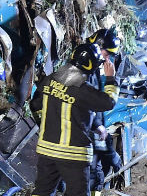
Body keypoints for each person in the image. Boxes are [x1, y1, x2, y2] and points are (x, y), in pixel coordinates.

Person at [30, 43, 119, 196]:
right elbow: (108, 101)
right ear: (90, 66)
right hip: (73, 154)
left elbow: (35, 105)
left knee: (42, 192)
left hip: (47, 150)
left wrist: (46, 127)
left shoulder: (49, 80)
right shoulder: (83, 90)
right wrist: (111, 78)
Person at [87, 28, 123, 195]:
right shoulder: (85, 73)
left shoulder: (89, 69)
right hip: (81, 144)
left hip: (87, 139)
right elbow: (103, 105)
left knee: (97, 176)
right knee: (93, 178)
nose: (108, 58)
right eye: (107, 53)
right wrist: (110, 79)